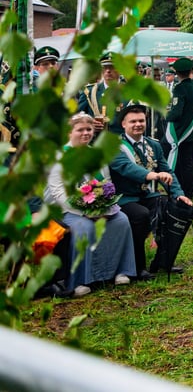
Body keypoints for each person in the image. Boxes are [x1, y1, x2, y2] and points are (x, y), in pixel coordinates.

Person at [43, 112, 136, 296]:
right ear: (70, 133)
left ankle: (120, 270)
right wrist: (83, 211)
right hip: (66, 209)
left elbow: (107, 183)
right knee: (84, 228)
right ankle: (79, 281)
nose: (85, 133)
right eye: (80, 130)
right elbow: (59, 193)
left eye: (89, 129)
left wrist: (103, 205)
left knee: (121, 221)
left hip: (96, 205)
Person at [109, 104, 193, 280]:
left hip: (146, 195)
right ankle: (137, 267)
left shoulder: (153, 145)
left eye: (141, 120)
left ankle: (163, 260)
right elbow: (126, 168)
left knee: (175, 209)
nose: (138, 124)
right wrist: (152, 175)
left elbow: (168, 171)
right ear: (123, 124)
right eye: (133, 121)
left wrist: (179, 194)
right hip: (124, 198)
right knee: (141, 215)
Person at [163, 57, 193, 199]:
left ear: (177, 72)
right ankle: (188, 190)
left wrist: (165, 114)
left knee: (175, 161)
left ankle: (176, 190)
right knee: (187, 163)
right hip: (191, 132)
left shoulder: (179, 88)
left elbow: (176, 112)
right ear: (190, 71)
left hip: (179, 132)